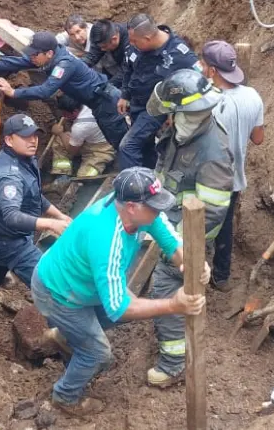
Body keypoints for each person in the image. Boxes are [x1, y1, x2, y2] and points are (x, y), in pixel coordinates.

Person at [31, 167, 209, 415]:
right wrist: (173, 305)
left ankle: (65, 336)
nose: (159, 211)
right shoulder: (106, 238)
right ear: (132, 207)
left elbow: (170, 240)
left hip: (83, 284)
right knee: (97, 353)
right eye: (153, 206)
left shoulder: (139, 213)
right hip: (58, 293)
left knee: (108, 319)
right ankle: (65, 397)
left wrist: (190, 262)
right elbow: (119, 307)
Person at [144, 69, 234, 387]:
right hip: (166, 222)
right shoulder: (181, 132)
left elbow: (211, 215)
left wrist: (178, 246)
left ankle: (174, 362)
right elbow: (164, 169)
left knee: (165, 290)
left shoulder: (213, 155)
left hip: (184, 237)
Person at [0, 114, 72, 313]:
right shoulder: (9, 175)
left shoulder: (24, 158)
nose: (33, 140)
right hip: (12, 244)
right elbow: (12, 216)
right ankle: (63, 330)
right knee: (50, 285)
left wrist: (59, 215)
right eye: (26, 137)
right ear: (9, 140)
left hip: (3, 238)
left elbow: (34, 196)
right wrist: (51, 224)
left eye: (34, 135)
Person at [0, 31, 128, 150]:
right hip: (98, 102)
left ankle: (140, 172)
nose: (31, 58)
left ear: (49, 53)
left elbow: (45, 91)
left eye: (34, 55)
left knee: (123, 144)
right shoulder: (45, 57)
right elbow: (15, 62)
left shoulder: (64, 64)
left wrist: (13, 92)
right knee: (118, 141)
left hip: (107, 102)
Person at [201, 41, 265, 292]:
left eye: (204, 64)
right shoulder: (253, 96)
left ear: (213, 71)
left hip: (207, 178)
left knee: (196, 225)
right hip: (234, 178)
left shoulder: (208, 103)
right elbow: (258, 139)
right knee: (224, 227)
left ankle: (192, 272)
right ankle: (222, 276)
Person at [117, 13, 203, 170]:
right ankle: (150, 179)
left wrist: (178, 111)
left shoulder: (179, 55)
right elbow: (128, 68)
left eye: (134, 41)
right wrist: (125, 94)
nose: (130, 43)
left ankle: (133, 189)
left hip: (156, 109)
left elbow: (199, 83)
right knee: (145, 148)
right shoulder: (136, 45)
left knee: (127, 147)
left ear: (148, 38)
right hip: (136, 105)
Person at [49, 95, 116, 179]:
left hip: (103, 150)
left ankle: (103, 163)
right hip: (98, 138)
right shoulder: (88, 103)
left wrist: (60, 133)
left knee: (84, 177)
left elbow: (72, 151)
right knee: (60, 141)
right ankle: (62, 173)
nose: (64, 116)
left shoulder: (79, 126)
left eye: (65, 113)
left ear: (75, 111)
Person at [84, 19, 129, 88]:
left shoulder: (130, 42)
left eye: (104, 47)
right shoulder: (103, 35)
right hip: (117, 66)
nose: (102, 49)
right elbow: (92, 55)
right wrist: (78, 66)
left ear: (114, 39)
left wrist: (106, 87)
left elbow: (126, 71)